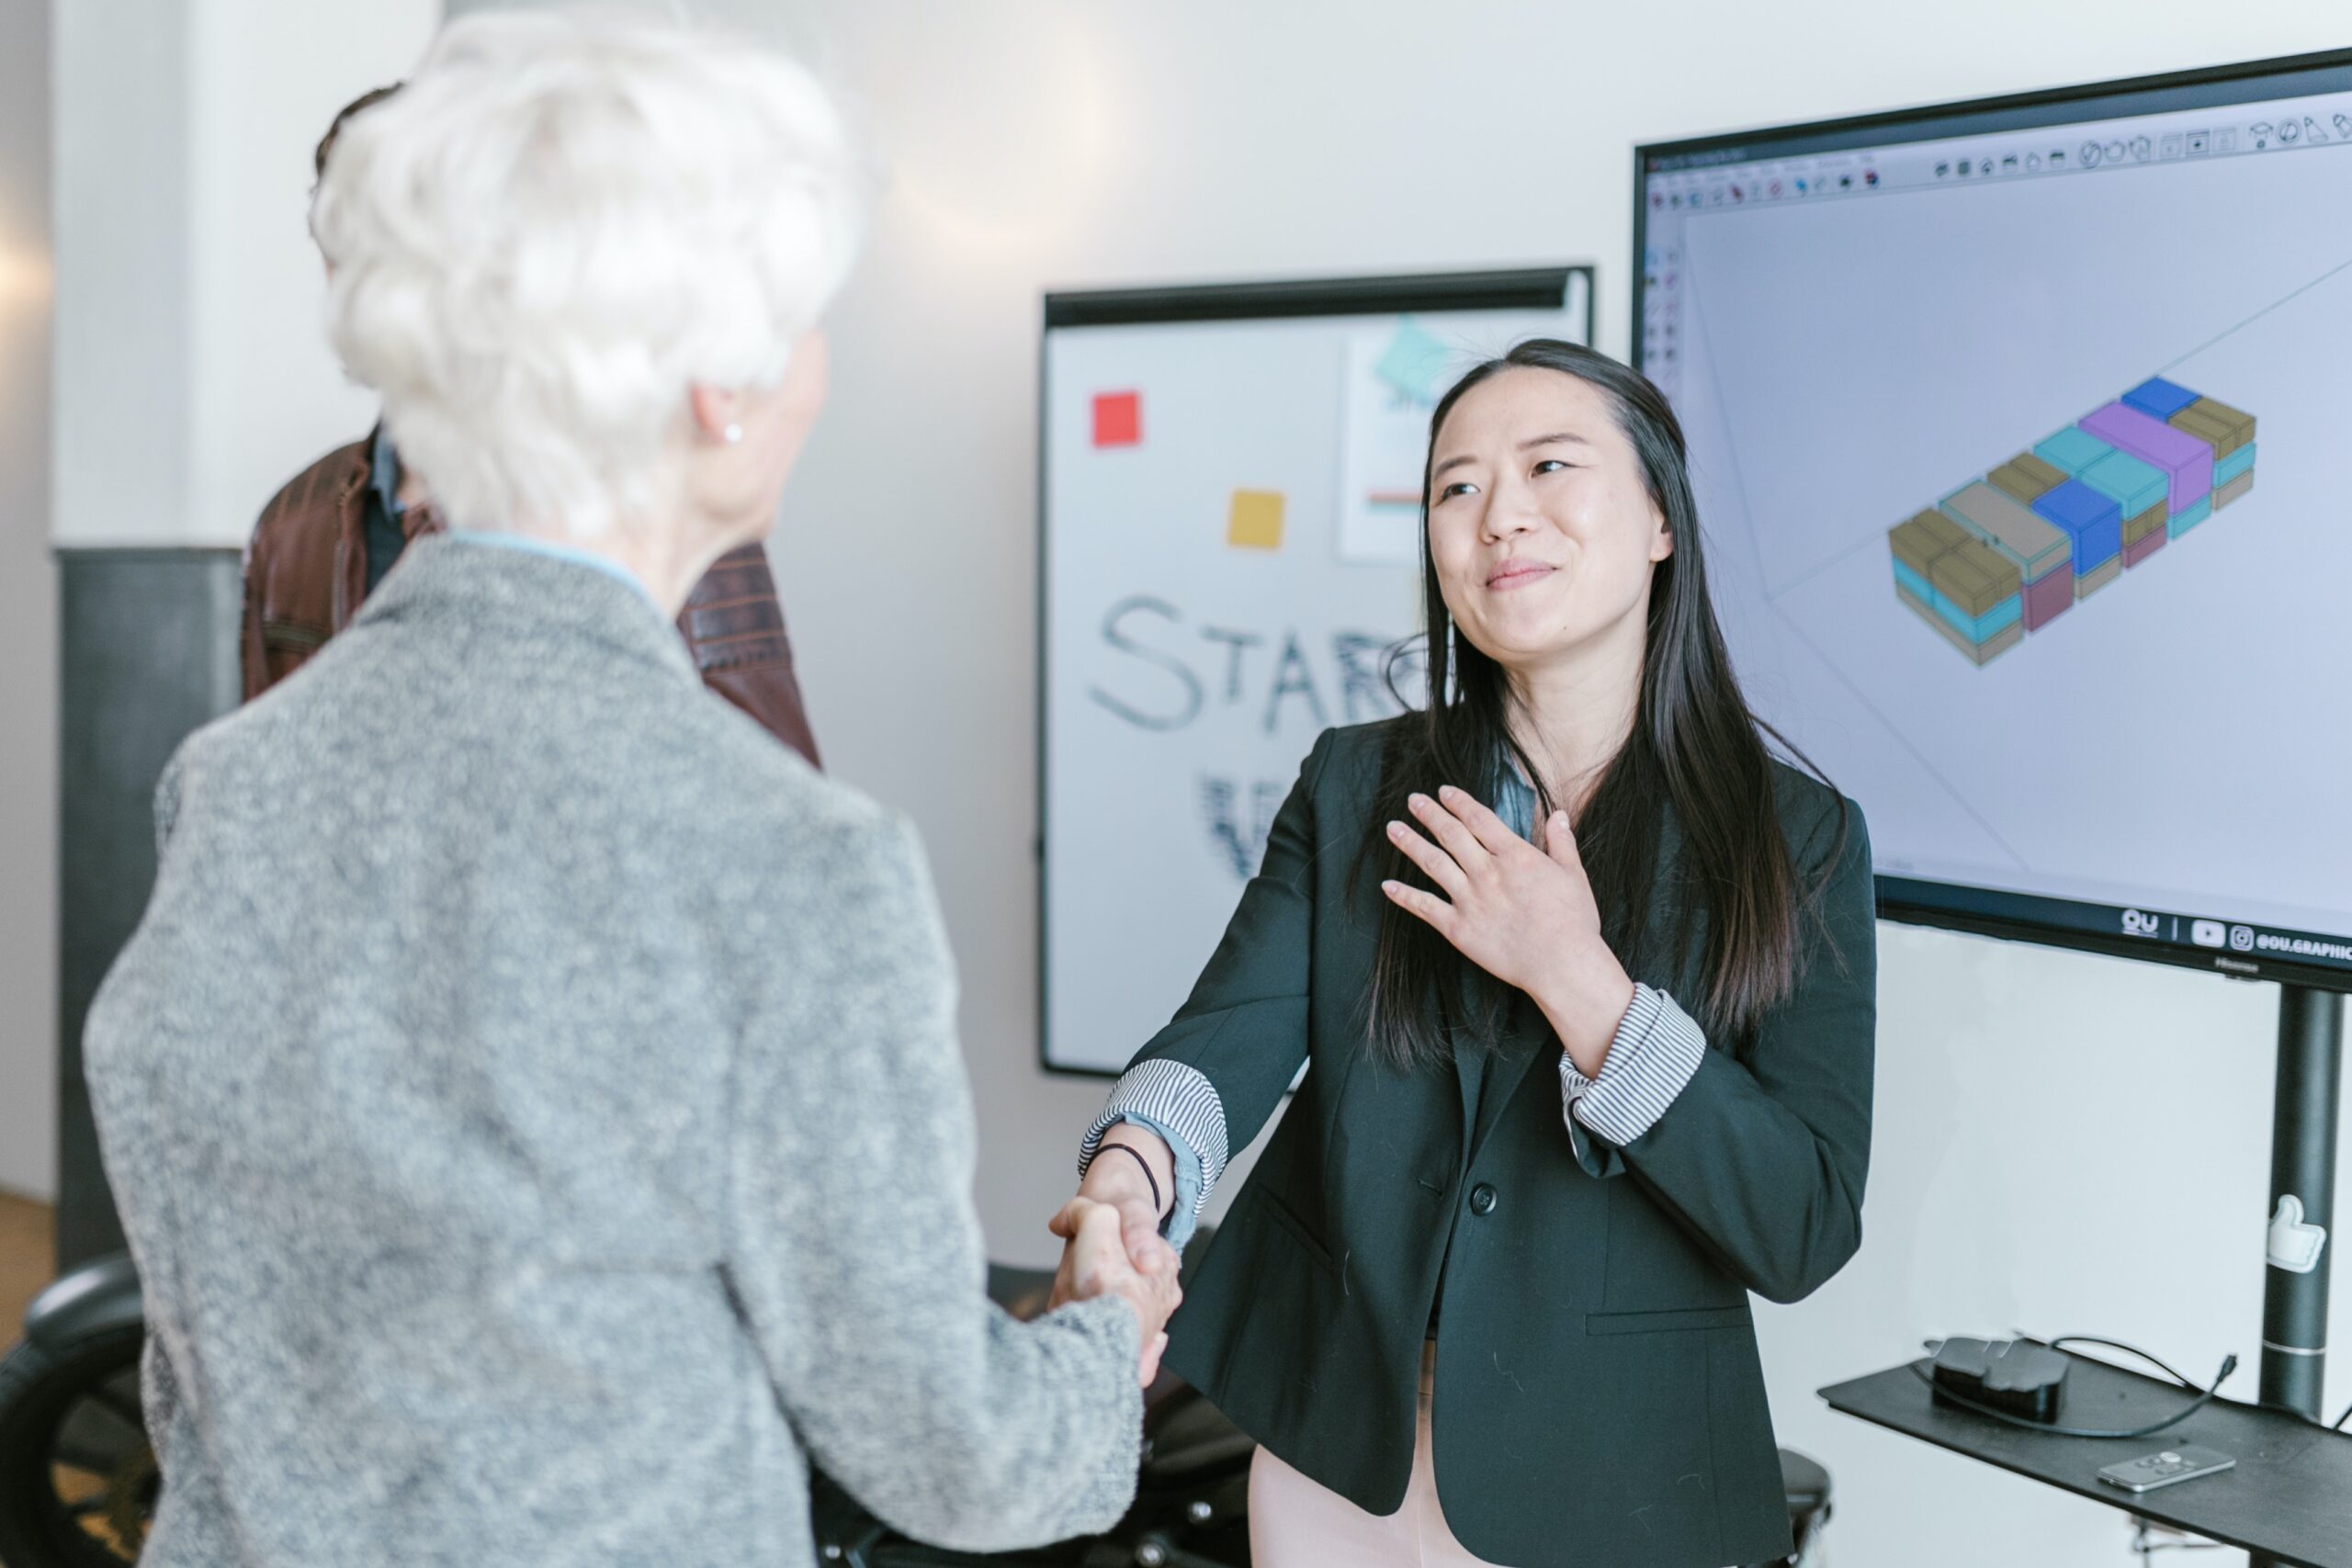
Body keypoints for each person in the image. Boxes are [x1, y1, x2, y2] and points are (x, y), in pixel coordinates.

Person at [81, 14, 1177, 1567]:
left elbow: (202, 1356)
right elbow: (959, 1457)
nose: (814, 369)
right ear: (722, 389)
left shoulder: (226, 785)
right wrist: (1101, 1339)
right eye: (803, 322)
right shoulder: (798, 860)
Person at [1053, 339, 1877, 1568]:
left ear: (1660, 516)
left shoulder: (1798, 839)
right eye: (1456, 486)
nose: (1500, 518)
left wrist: (1583, 983)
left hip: (1621, 1481)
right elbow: (1228, 1036)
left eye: (1550, 465)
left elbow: (1802, 1221)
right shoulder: (1355, 783)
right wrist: (1128, 1176)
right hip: (1341, 1452)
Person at [242, 81, 823, 764]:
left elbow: (773, 797)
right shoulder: (291, 528)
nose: (363, 276)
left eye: (399, 238)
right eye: (342, 238)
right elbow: (258, 803)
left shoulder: (652, 502)